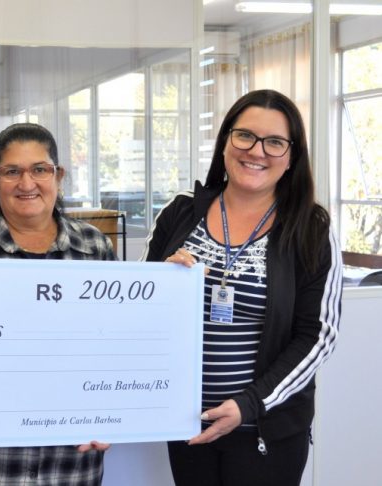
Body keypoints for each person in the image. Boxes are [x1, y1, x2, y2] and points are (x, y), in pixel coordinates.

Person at [142, 89, 342, 486]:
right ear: (225, 141)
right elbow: (137, 313)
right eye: (245, 135)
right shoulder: (180, 211)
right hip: (187, 424)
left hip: (265, 430)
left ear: (291, 156)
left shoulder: (311, 228)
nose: (257, 151)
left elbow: (317, 336)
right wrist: (160, 284)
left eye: (275, 142)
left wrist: (250, 404)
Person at [0, 122, 115, 485]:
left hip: (69, 461)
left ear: (59, 175)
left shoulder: (94, 248)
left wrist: (115, 415)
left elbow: (112, 348)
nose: (26, 183)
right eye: (12, 171)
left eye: (40, 169)